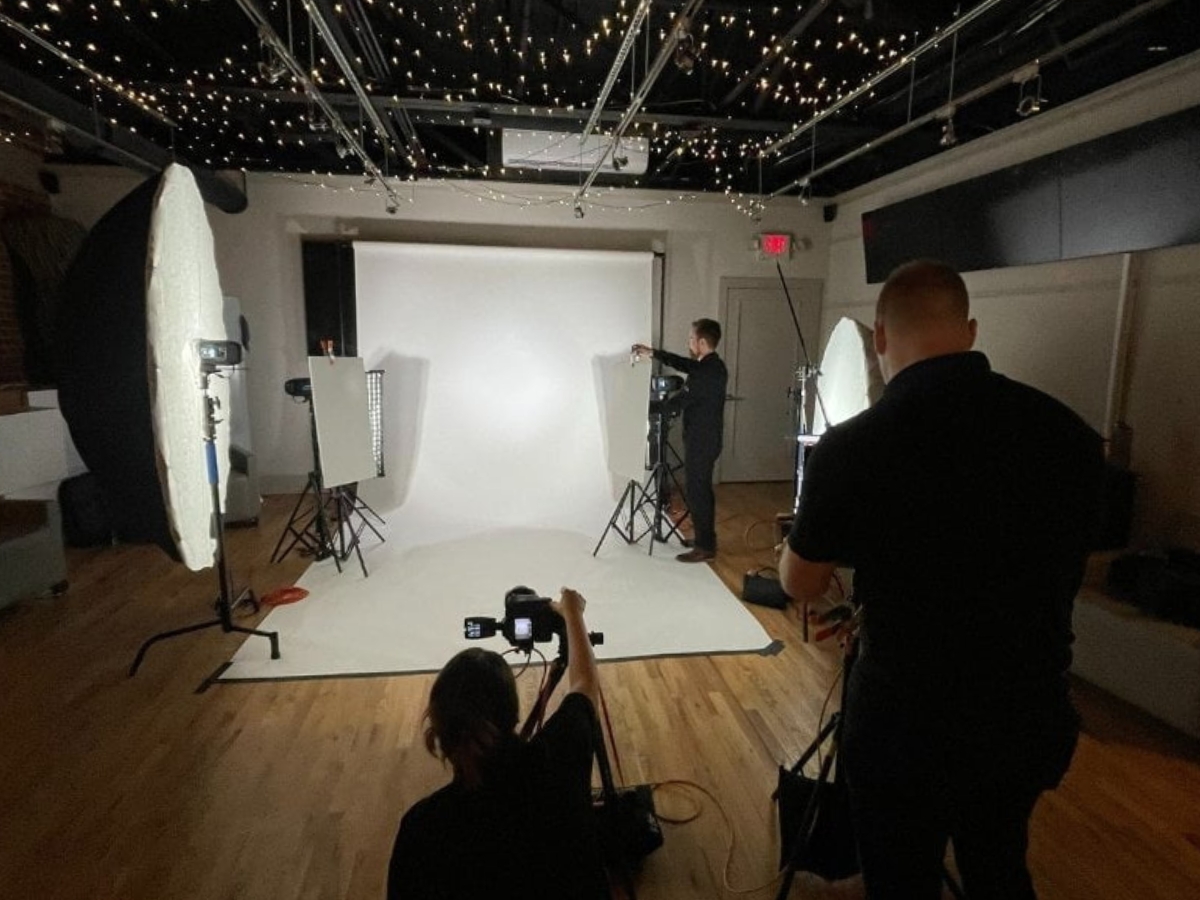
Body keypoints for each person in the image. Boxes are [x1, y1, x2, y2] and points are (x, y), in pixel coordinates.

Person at [779, 260, 1104, 899]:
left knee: (902, 879)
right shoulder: (1068, 434)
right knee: (1000, 866)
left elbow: (801, 583)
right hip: (1025, 711)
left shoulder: (852, 448)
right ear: (972, 330)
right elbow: (1067, 559)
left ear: (879, 338)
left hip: (906, 724)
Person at [386, 588, 608, 900]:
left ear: (438, 732)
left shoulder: (422, 828)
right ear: (513, 713)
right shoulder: (557, 759)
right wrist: (572, 614)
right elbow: (585, 684)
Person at [633, 318, 728, 563]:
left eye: (691, 339)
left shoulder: (706, 374)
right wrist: (653, 353)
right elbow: (683, 363)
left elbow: (677, 403)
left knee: (698, 493)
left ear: (702, 342)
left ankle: (705, 547)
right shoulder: (711, 365)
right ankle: (704, 540)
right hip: (704, 439)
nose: (689, 342)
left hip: (702, 441)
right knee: (700, 491)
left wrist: (642, 407)